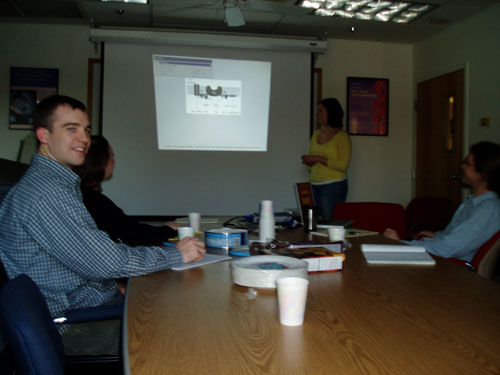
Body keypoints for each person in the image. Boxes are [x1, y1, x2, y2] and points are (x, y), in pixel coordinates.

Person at [0, 95, 205, 354]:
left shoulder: (57, 185)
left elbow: (77, 261)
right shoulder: (46, 193)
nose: (84, 139)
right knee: (186, 329)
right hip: (69, 328)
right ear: (44, 135)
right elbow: (106, 262)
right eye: (70, 129)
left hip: (84, 308)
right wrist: (178, 253)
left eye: (86, 130)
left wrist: (112, 288)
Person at [384, 141, 500, 262]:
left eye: (467, 163)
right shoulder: (473, 203)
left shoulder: (487, 209)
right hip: (445, 261)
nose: (462, 166)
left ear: (483, 174)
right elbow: (458, 238)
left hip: (452, 269)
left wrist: (400, 245)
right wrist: (437, 236)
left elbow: (447, 249)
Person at [74, 135, 179, 246]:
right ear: (101, 161)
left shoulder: (82, 194)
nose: (114, 162)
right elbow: (133, 233)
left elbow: (127, 227)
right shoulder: (94, 200)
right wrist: (168, 230)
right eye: (112, 157)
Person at [301, 98, 352, 220]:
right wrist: (309, 161)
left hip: (333, 186)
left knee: (330, 222)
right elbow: (310, 164)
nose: (316, 114)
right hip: (314, 184)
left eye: (320, 111)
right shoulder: (315, 134)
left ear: (331, 113)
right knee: (316, 223)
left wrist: (318, 158)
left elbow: (343, 165)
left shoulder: (342, 136)